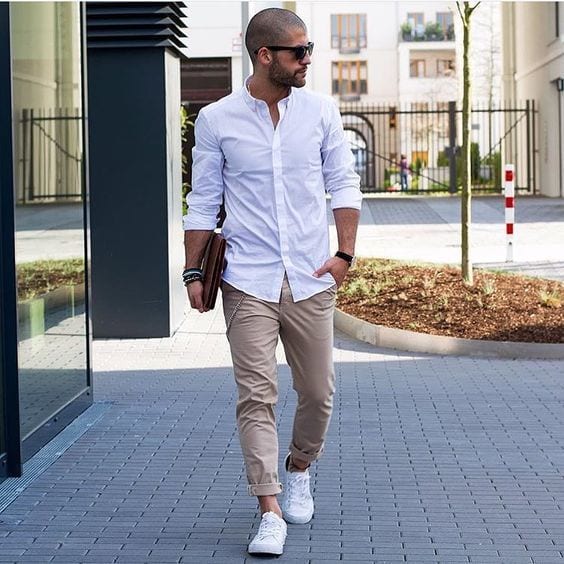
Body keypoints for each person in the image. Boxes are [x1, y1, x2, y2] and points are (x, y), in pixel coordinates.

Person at [182, 7, 362, 556]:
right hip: (248, 280)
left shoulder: (321, 113)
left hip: (311, 277)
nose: (308, 59)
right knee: (256, 397)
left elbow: (344, 184)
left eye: (309, 50)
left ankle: (300, 465)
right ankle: (270, 508)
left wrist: (344, 255)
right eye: (298, 51)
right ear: (265, 55)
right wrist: (193, 271)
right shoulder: (217, 120)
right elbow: (204, 200)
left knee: (318, 393)